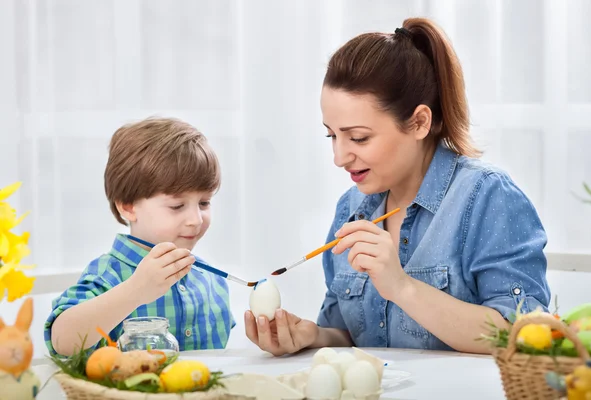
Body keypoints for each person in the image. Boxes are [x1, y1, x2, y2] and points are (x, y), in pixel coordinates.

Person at [244, 17, 551, 355]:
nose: (339, 157)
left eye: (358, 137)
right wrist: (311, 338)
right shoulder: (350, 209)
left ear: (419, 122)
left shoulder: (487, 197)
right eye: (332, 135)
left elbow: (522, 338)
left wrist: (402, 287)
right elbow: (347, 333)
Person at [44, 117, 234, 356]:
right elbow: (62, 340)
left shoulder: (212, 281)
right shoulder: (107, 275)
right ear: (128, 206)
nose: (196, 219)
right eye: (177, 206)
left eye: (204, 203)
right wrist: (135, 291)